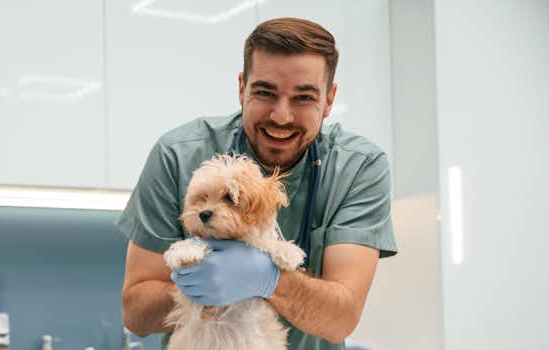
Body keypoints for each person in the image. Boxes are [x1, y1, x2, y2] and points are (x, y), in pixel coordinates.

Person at [116, 17, 398, 350]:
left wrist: (270, 279)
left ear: (330, 99)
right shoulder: (177, 155)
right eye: (265, 92)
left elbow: (340, 320)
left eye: (303, 98)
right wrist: (194, 283)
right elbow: (135, 313)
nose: (281, 116)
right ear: (241, 88)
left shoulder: (359, 167)